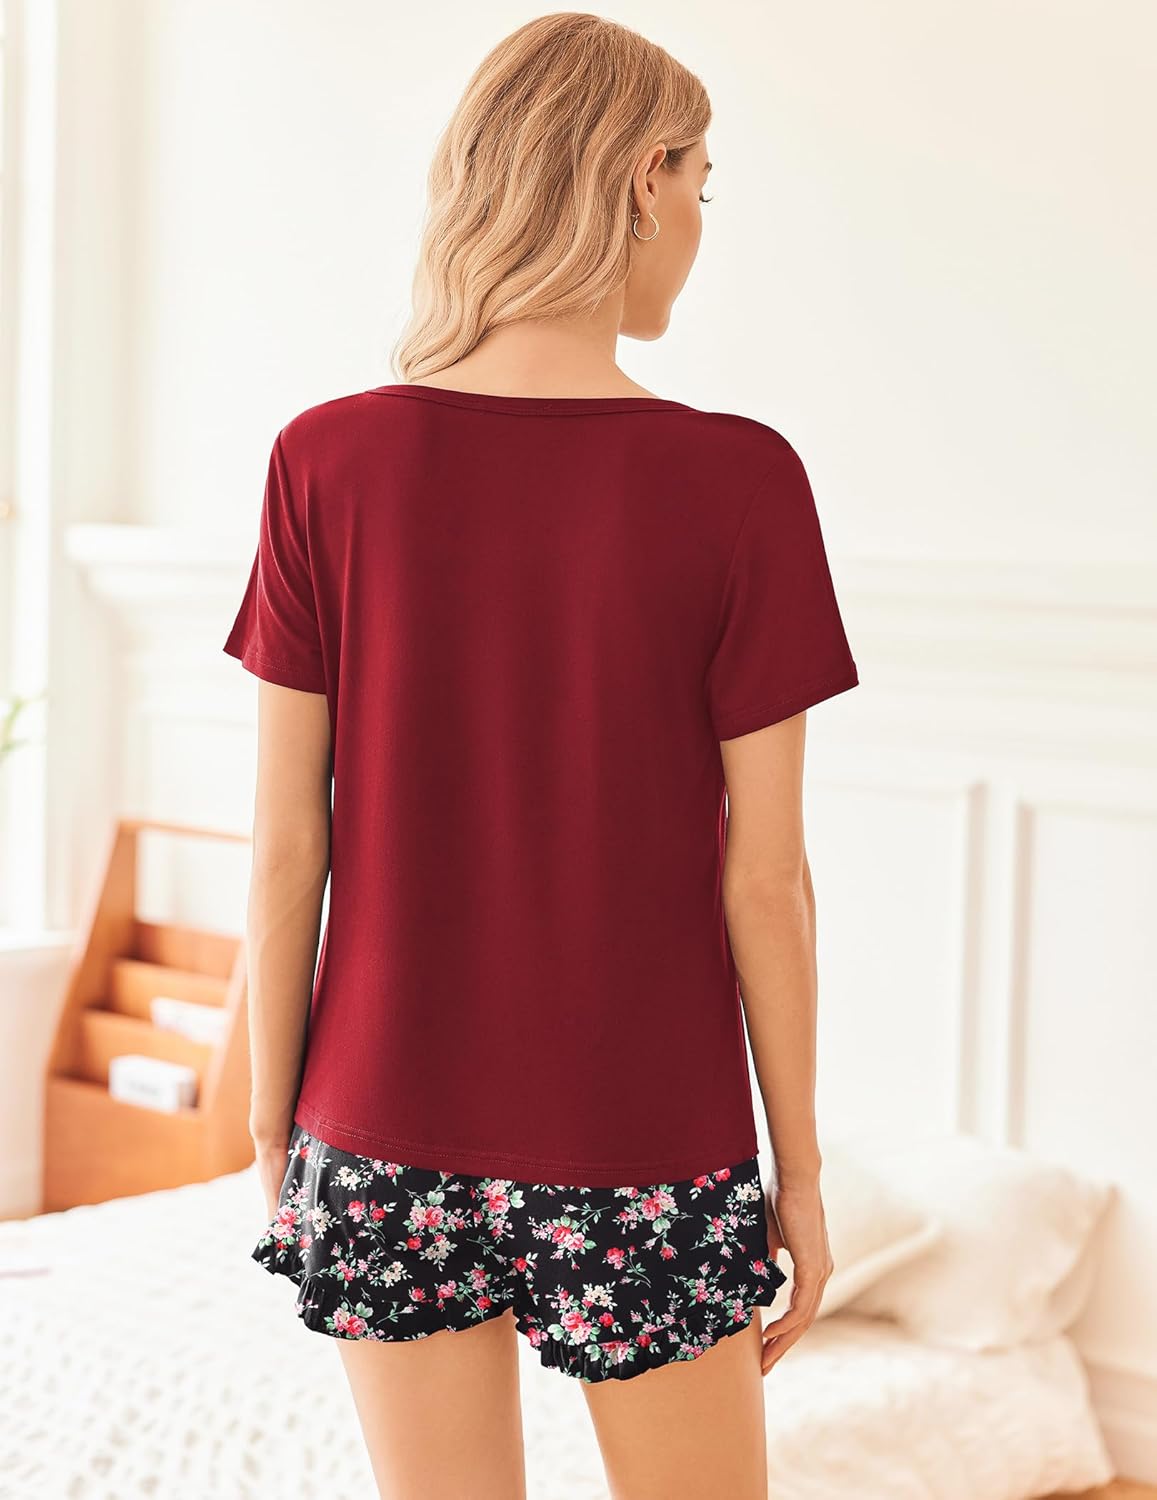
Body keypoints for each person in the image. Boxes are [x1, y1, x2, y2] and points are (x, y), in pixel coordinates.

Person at [224, 12, 859, 1499]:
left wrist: (272, 1126)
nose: (698, 220)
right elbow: (765, 883)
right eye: (700, 181)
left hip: (374, 1129)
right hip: (645, 1135)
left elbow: (287, 845)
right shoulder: (740, 480)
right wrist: (801, 1174)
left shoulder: (325, 460)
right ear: (642, 179)